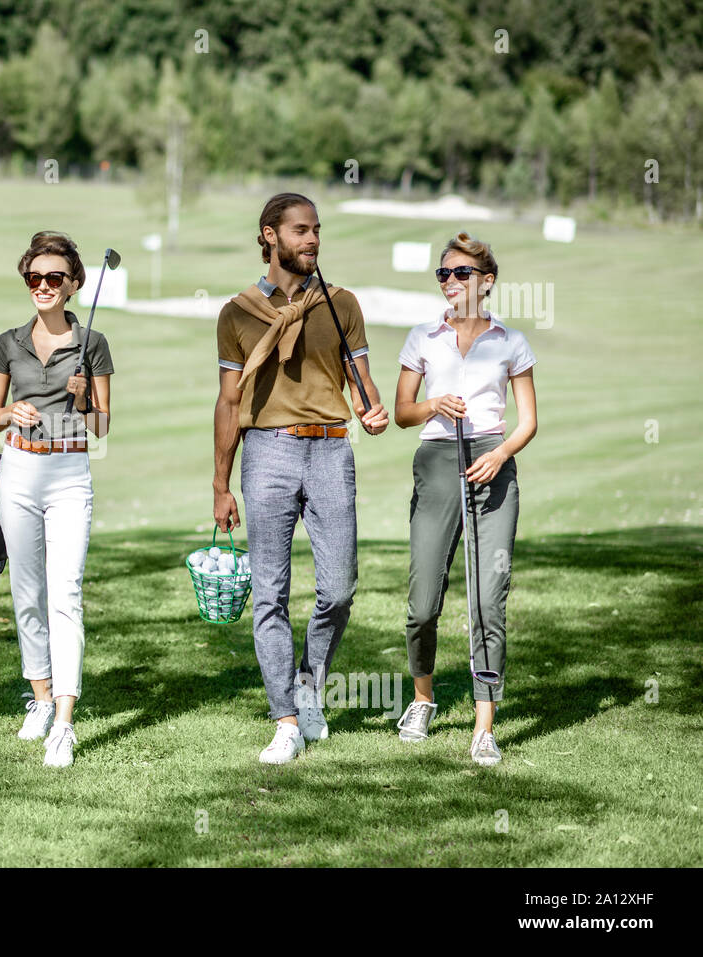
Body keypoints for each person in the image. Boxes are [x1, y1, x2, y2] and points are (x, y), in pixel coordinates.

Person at [213, 193, 388, 765]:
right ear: (269, 236)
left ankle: (309, 684)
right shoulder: (238, 313)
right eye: (300, 230)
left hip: (333, 451)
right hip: (266, 453)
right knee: (270, 593)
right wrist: (221, 483)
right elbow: (228, 399)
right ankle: (285, 718)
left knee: (339, 589)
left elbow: (364, 384)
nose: (312, 240)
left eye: (316, 230)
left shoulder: (341, 304)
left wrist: (373, 410)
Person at [392, 232, 537, 767]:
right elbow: (402, 411)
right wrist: (433, 404)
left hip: (492, 468)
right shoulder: (422, 337)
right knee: (423, 601)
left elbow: (529, 422)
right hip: (436, 461)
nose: (450, 282)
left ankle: (483, 727)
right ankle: (424, 698)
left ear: (486, 281)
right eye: (443, 274)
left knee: (487, 602)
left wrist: (500, 456)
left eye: (460, 273)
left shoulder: (511, 342)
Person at [0, 231, 113, 768]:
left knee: (66, 593)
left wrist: (84, 401)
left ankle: (63, 722)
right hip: (16, 469)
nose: (42, 285)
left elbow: (102, 427)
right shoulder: (9, 342)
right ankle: (37, 697)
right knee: (27, 591)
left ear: (73, 285)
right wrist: (10, 414)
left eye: (53, 278)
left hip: (67, 472)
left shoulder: (94, 344)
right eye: (34, 277)